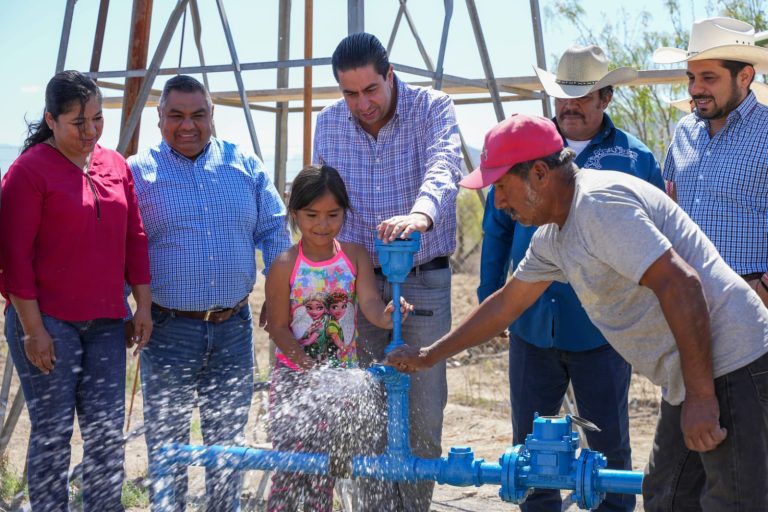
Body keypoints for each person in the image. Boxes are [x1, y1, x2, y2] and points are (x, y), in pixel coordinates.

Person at [387, 113, 768, 511]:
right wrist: (429, 356)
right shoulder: (553, 236)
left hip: (732, 363)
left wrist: (703, 396)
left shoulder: (598, 206)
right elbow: (505, 305)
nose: (497, 202)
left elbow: (682, 285)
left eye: (501, 186)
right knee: (667, 497)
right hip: (690, 375)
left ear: (538, 173)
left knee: (733, 500)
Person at [478, 45, 663, 512]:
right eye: (563, 94)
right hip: (530, 322)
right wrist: (489, 298)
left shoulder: (635, 159)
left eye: (583, 95)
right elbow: (496, 228)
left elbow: (658, 245)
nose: (571, 105)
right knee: (531, 453)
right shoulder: (524, 150)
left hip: (603, 328)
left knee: (608, 453)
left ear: (607, 97)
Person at [313, 32, 463, 510]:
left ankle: (414, 506)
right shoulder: (329, 124)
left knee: (422, 412)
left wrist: (420, 214)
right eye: (350, 94)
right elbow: (327, 204)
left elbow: (444, 165)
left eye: (371, 90)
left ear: (390, 75)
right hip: (360, 282)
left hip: (425, 279)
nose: (362, 103)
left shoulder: (432, 107)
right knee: (366, 412)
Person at [128, 75, 292, 511]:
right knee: (168, 446)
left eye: (198, 115)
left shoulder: (244, 166)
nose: (188, 125)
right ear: (159, 117)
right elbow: (120, 247)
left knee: (227, 444)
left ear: (212, 116)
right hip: (167, 332)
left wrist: (277, 294)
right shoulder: (137, 174)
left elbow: (276, 229)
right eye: (176, 116)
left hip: (233, 330)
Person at [0, 70, 152, 511]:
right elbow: (13, 258)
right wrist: (32, 330)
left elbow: (134, 239)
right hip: (48, 322)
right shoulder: (28, 173)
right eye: (77, 122)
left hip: (106, 321)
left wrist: (141, 305)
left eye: (97, 120)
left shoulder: (116, 165)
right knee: (52, 435)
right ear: (51, 119)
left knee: (106, 434)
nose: (90, 131)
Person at [265, 164, 412, 511]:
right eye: (311, 214)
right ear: (294, 212)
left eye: (333, 214)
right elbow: (278, 328)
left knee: (326, 472)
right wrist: (307, 367)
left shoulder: (355, 256)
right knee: (289, 470)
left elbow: (373, 309)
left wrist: (392, 314)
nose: (322, 224)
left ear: (345, 212)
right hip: (293, 383)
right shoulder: (285, 264)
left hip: (342, 382)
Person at [654, 17, 768, 306]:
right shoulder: (684, 131)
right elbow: (674, 204)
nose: (695, 89)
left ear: (744, 77)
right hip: (689, 297)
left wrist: (764, 288)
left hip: (752, 296)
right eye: (692, 78)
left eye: (709, 77)